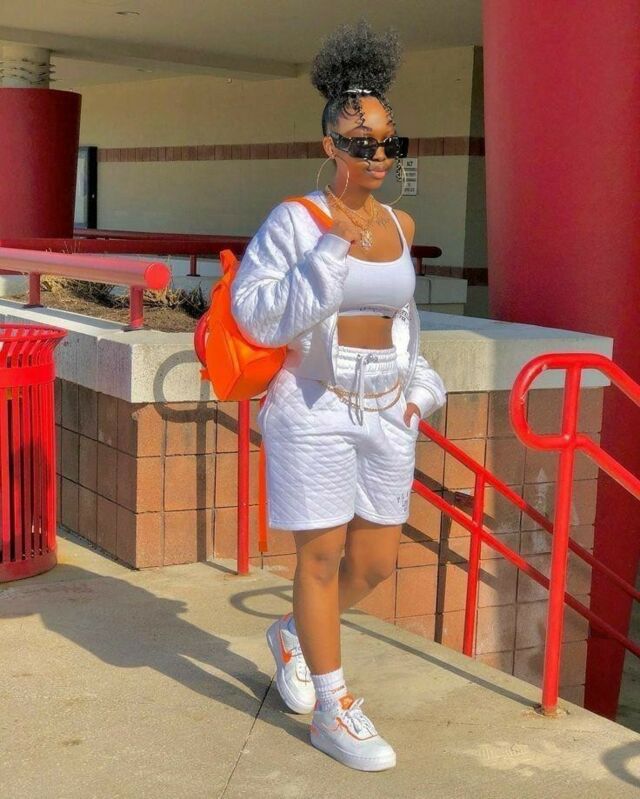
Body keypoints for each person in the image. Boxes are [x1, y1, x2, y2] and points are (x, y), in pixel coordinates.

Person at [230, 20, 446, 772]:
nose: (378, 156)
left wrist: (419, 389)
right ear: (330, 145)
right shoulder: (296, 219)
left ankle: (294, 634)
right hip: (314, 405)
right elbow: (254, 314)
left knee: (375, 561)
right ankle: (332, 706)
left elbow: (404, 322)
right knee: (319, 557)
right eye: (362, 143)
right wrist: (328, 252)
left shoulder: (401, 223)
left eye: (389, 142)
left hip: (387, 408)